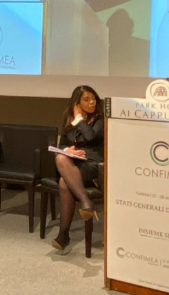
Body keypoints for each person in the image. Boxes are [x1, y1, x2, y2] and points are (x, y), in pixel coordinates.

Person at [51, 85, 104, 252]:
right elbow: (62, 145)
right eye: (86, 99)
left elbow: (91, 137)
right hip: (75, 165)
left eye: (93, 98)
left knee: (63, 181)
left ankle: (64, 234)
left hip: (94, 166)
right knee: (61, 160)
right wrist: (69, 150)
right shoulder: (69, 120)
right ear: (77, 103)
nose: (92, 102)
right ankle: (86, 203)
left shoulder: (100, 119)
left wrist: (79, 119)